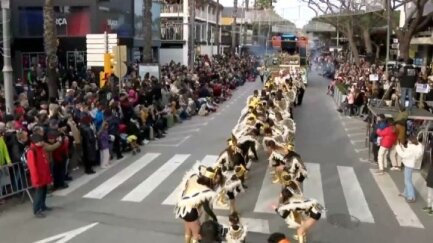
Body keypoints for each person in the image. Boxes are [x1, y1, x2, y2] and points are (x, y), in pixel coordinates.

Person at [175, 166, 223, 243]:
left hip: (182, 209)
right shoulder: (205, 190)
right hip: (191, 212)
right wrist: (214, 218)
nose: (216, 181)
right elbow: (206, 208)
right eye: (215, 179)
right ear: (211, 179)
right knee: (196, 235)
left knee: (188, 230)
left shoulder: (196, 177)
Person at [27, 134, 53, 218]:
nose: (42, 143)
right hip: (38, 176)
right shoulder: (32, 151)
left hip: (43, 174)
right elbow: (32, 167)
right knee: (39, 194)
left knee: (44, 192)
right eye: (40, 142)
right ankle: (36, 210)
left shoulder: (40, 149)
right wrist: (36, 179)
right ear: (35, 142)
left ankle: (43, 206)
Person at [396, 136, 424, 203]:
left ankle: (411, 197)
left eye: (408, 141)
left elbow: (403, 155)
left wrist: (398, 147)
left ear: (411, 141)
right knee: (407, 180)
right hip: (409, 165)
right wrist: (402, 147)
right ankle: (406, 193)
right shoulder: (414, 147)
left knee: (408, 181)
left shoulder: (412, 148)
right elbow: (407, 152)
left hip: (409, 165)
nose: (408, 142)